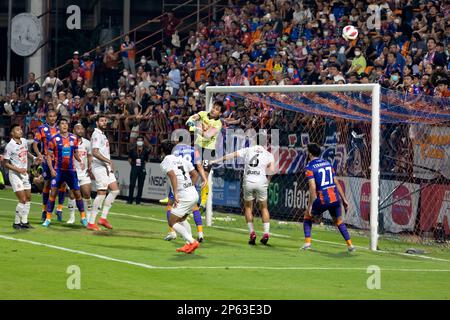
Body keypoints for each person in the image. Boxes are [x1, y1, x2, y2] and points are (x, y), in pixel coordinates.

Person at [211, 143, 275, 245]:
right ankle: (266, 234)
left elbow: (231, 155)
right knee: (264, 208)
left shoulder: (248, 150)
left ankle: (252, 233)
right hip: (261, 181)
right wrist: (268, 181)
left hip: (248, 181)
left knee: (248, 207)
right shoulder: (268, 154)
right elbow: (271, 170)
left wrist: (215, 161)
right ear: (265, 145)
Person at [302, 143, 355, 252]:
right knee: (339, 221)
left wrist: (311, 205)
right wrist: (344, 199)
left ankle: (307, 243)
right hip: (335, 198)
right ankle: (350, 245)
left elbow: (312, 186)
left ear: (310, 153)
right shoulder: (328, 164)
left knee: (307, 216)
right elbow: (336, 182)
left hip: (322, 199)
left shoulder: (310, 167)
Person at [42, 118, 87, 227]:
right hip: (58, 170)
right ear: (59, 126)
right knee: (53, 192)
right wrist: (52, 169)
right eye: (62, 123)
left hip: (71, 171)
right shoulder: (54, 139)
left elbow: (75, 152)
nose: (64, 125)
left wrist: (80, 160)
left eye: (66, 123)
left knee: (77, 193)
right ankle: (48, 219)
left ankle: (83, 218)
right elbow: (49, 155)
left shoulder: (73, 138)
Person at [163, 137, 208, 242]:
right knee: (194, 207)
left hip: (179, 184)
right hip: (189, 181)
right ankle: (200, 234)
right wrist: (204, 178)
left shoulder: (176, 151)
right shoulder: (194, 150)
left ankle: (172, 232)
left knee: (170, 205)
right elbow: (199, 166)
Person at [160, 141, 200, 254]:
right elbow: (195, 175)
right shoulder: (183, 160)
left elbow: (172, 175)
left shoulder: (165, 162)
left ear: (162, 151)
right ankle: (188, 245)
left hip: (185, 196)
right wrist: (189, 187)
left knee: (172, 221)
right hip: (193, 193)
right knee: (182, 219)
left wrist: (176, 194)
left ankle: (192, 241)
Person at [186, 100, 224, 213]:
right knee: (191, 173)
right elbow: (190, 119)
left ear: (219, 113)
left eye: (217, 109)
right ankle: (186, 196)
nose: (214, 110)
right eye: (214, 107)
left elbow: (208, 135)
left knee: (204, 177)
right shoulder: (202, 114)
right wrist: (191, 123)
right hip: (198, 147)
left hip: (208, 150)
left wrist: (196, 128)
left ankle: (202, 202)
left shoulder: (218, 123)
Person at [3, 124, 41, 229]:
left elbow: (26, 152)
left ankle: (24, 222)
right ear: (12, 133)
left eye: (20, 129)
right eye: (17, 130)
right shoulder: (9, 146)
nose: (20, 131)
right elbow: (5, 163)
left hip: (24, 175)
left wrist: (34, 158)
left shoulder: (24, 141)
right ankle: (16, 223)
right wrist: (18, 169)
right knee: (23, 199)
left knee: (28, 198)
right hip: (15, 175)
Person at [33, 109, 68, 222]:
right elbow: (35, 144)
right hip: (47, 160)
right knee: (47, 184)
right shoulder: (42, 128)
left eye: (54, 116)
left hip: (60, 160)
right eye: (50, 116)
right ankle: (44, 210)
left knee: (62, 183)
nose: (52, 118)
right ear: (46, 118)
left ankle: (59, 209)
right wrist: (39, 155)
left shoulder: (60, 128)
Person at [89, 114, 120, 231]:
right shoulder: (96, 134)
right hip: (99, 167)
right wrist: (109, 161)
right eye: (102, 121)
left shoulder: (102, 135)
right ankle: (91, 222)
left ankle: (103, 218)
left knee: (115, 190)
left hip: (105, 166)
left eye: (105, 121)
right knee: (101, 193)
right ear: (97, 123)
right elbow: (95, 152)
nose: (104, 122)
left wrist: (108, 164)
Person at [68, 123, 93, 224]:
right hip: (72, 173)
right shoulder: (69, 142)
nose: (80, 130)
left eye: (82, 128)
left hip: (84, 173)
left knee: (87, 194)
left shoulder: (87, 143)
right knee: (72, 195)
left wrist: (90, 165)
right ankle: (71, 217)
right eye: (78, 128)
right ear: (73, 130)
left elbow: (90, 155)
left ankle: (89, 216)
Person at [127, 136, 149, 205]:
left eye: (141, 140)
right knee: (132, 184)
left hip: (141, 168)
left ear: (143, 142)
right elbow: (129, 159)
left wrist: (142, 166)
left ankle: (138, 200)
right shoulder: (132, 150)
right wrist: (133, 166)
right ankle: (130, 200)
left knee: (141, 185)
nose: (139, 142)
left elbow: (146, 160)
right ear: (136, 141)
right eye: (138, 140)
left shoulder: (146, 151)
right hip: (134, 167)